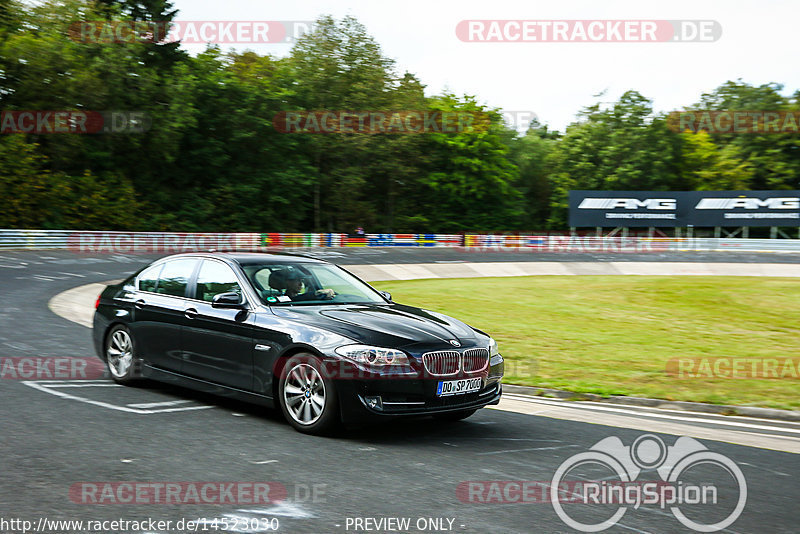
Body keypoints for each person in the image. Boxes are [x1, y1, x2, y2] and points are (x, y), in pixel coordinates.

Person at [268, 268, 335, 301]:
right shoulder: (280, 300)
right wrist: (316, 293)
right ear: (287, 282)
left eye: (301, 280)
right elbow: (294, 300)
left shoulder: (300, 297)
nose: (301, 284)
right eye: (297, 281)